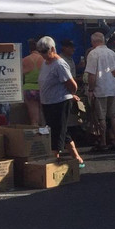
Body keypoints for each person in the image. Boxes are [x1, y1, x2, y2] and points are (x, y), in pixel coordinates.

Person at [35, 36, 84, 168]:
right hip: (48, 102)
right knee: (60, 130)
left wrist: (71, 94)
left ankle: (54, 162)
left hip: (60, 102)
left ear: (52, 49)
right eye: (40, 52)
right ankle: (77, 158)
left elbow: (72, 85)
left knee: (57, 133)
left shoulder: (60, 64)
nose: (43, 54)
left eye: (44, 51)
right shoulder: (46, 63)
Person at [84, 31, 115, 152]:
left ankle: (103, 142)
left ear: (93, 42)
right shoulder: (113, 53)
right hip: (113, 87)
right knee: (114, 116)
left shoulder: (93, 54)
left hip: (100, 89)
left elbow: (92, 75)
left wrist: (91, 89)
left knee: (101, 117)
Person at [21, 38, 44, 126]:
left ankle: (35, 133)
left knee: (34, 120)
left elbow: (21, 77)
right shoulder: (44, 60)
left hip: (29, 89)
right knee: (44, 117)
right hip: (42, 89)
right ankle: (45, 133)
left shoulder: (24, 60)